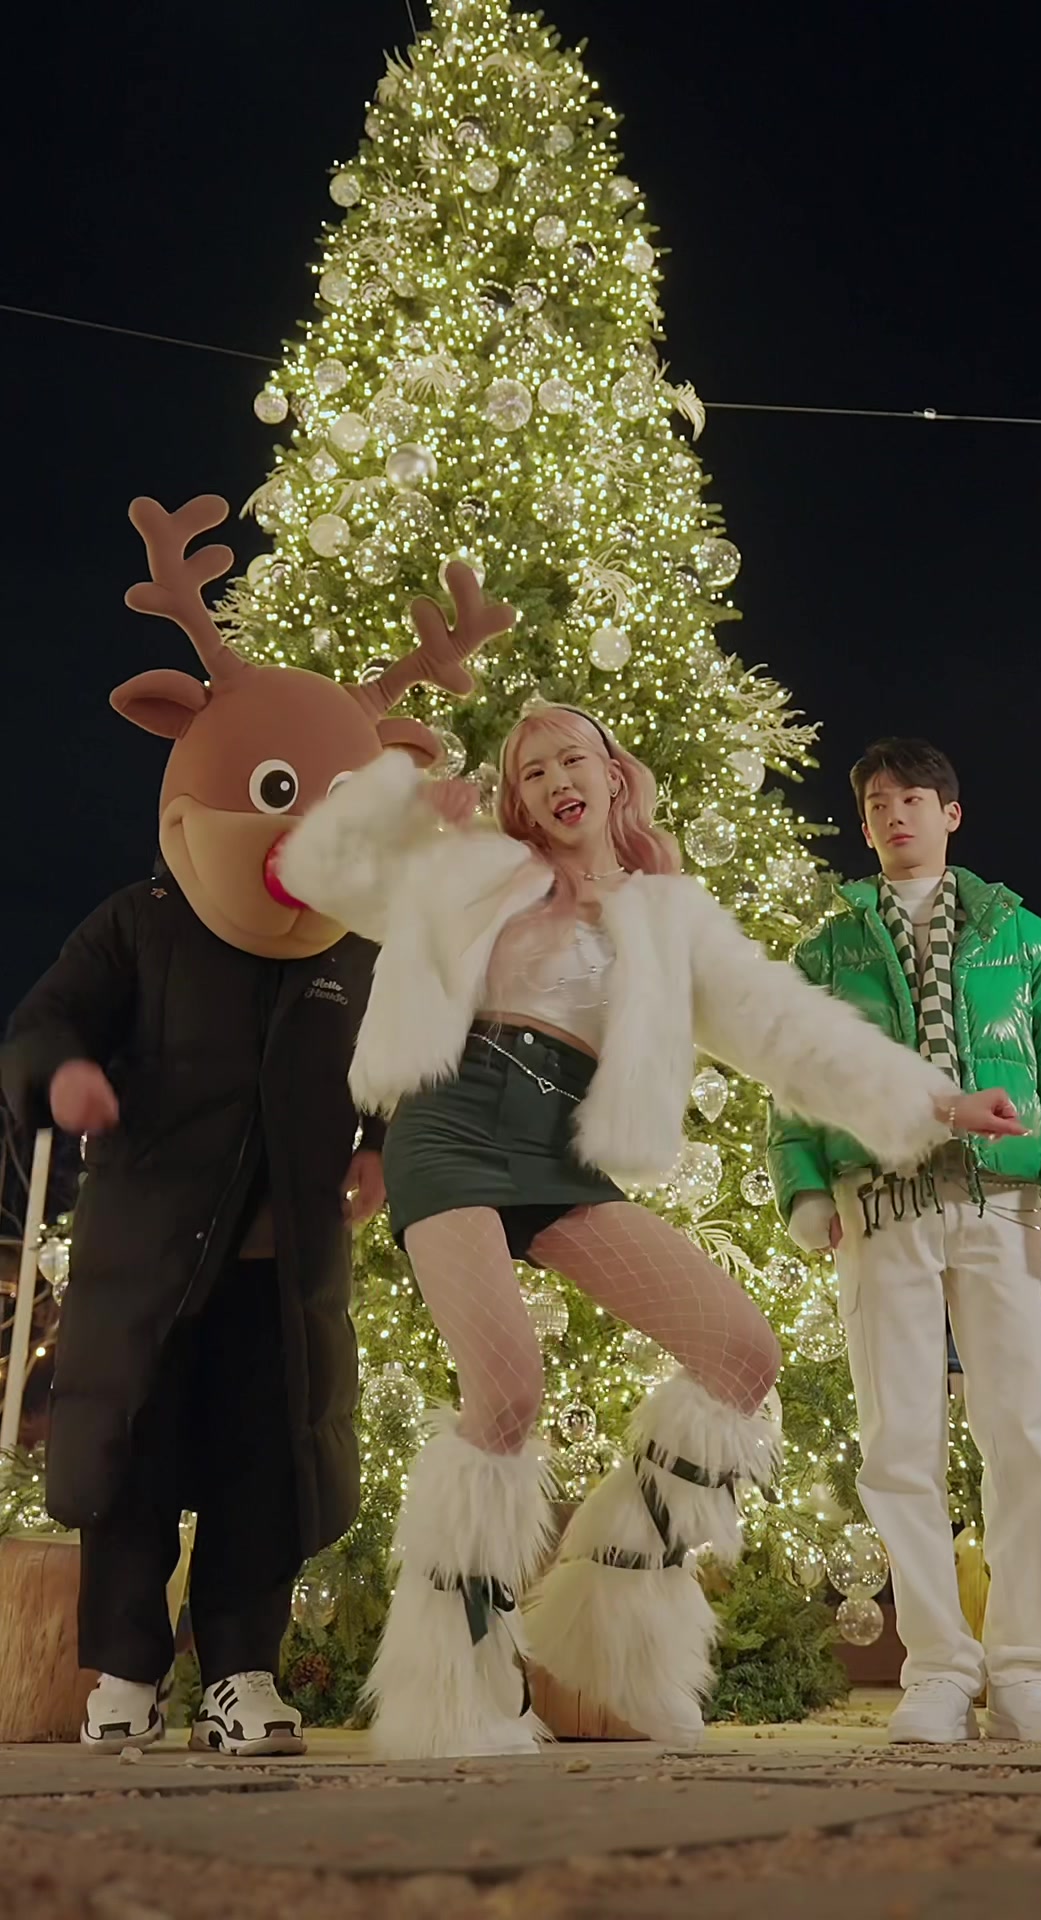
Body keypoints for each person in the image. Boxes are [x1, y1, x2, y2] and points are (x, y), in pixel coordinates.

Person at [281, 704, 1021, 1758]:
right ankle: (453, 1693)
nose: (555, 782)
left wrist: (939, 1102)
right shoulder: (479, 866)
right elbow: (321, 874)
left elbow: (786, 1029)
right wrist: (397, 797)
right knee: (508, 1393)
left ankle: (613, 1630)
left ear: (613, 774)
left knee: (742, 1353)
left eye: (571, 760)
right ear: (517, 798)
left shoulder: (667, 914)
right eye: (532, 772)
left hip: (564, 1150)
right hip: (453, 1123)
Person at [1, 495, 506, 1756]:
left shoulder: (357, 953)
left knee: (263, 1470)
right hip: (145, 1249)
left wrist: (383, 1152)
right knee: (127, 1462)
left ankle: (241, 1672)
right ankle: (125, 1674)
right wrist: (64, 1077)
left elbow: (416, 1066)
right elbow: (44, 1021)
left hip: (284, 1269)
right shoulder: (141, 924)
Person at [768, 736, 1041, 1745]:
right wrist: (804, 1184)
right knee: (898, 1441)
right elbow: (795, 1072)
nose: (894, 814)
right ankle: (939, 1668)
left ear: (951, 813)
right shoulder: (829, 951)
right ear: (865, 827)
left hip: (1001, 1204)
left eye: (913, 798)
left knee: (1020, 1436)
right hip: (882, 1205)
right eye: (877, 804)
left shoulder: (1024, 939)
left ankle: (1028, 1669)